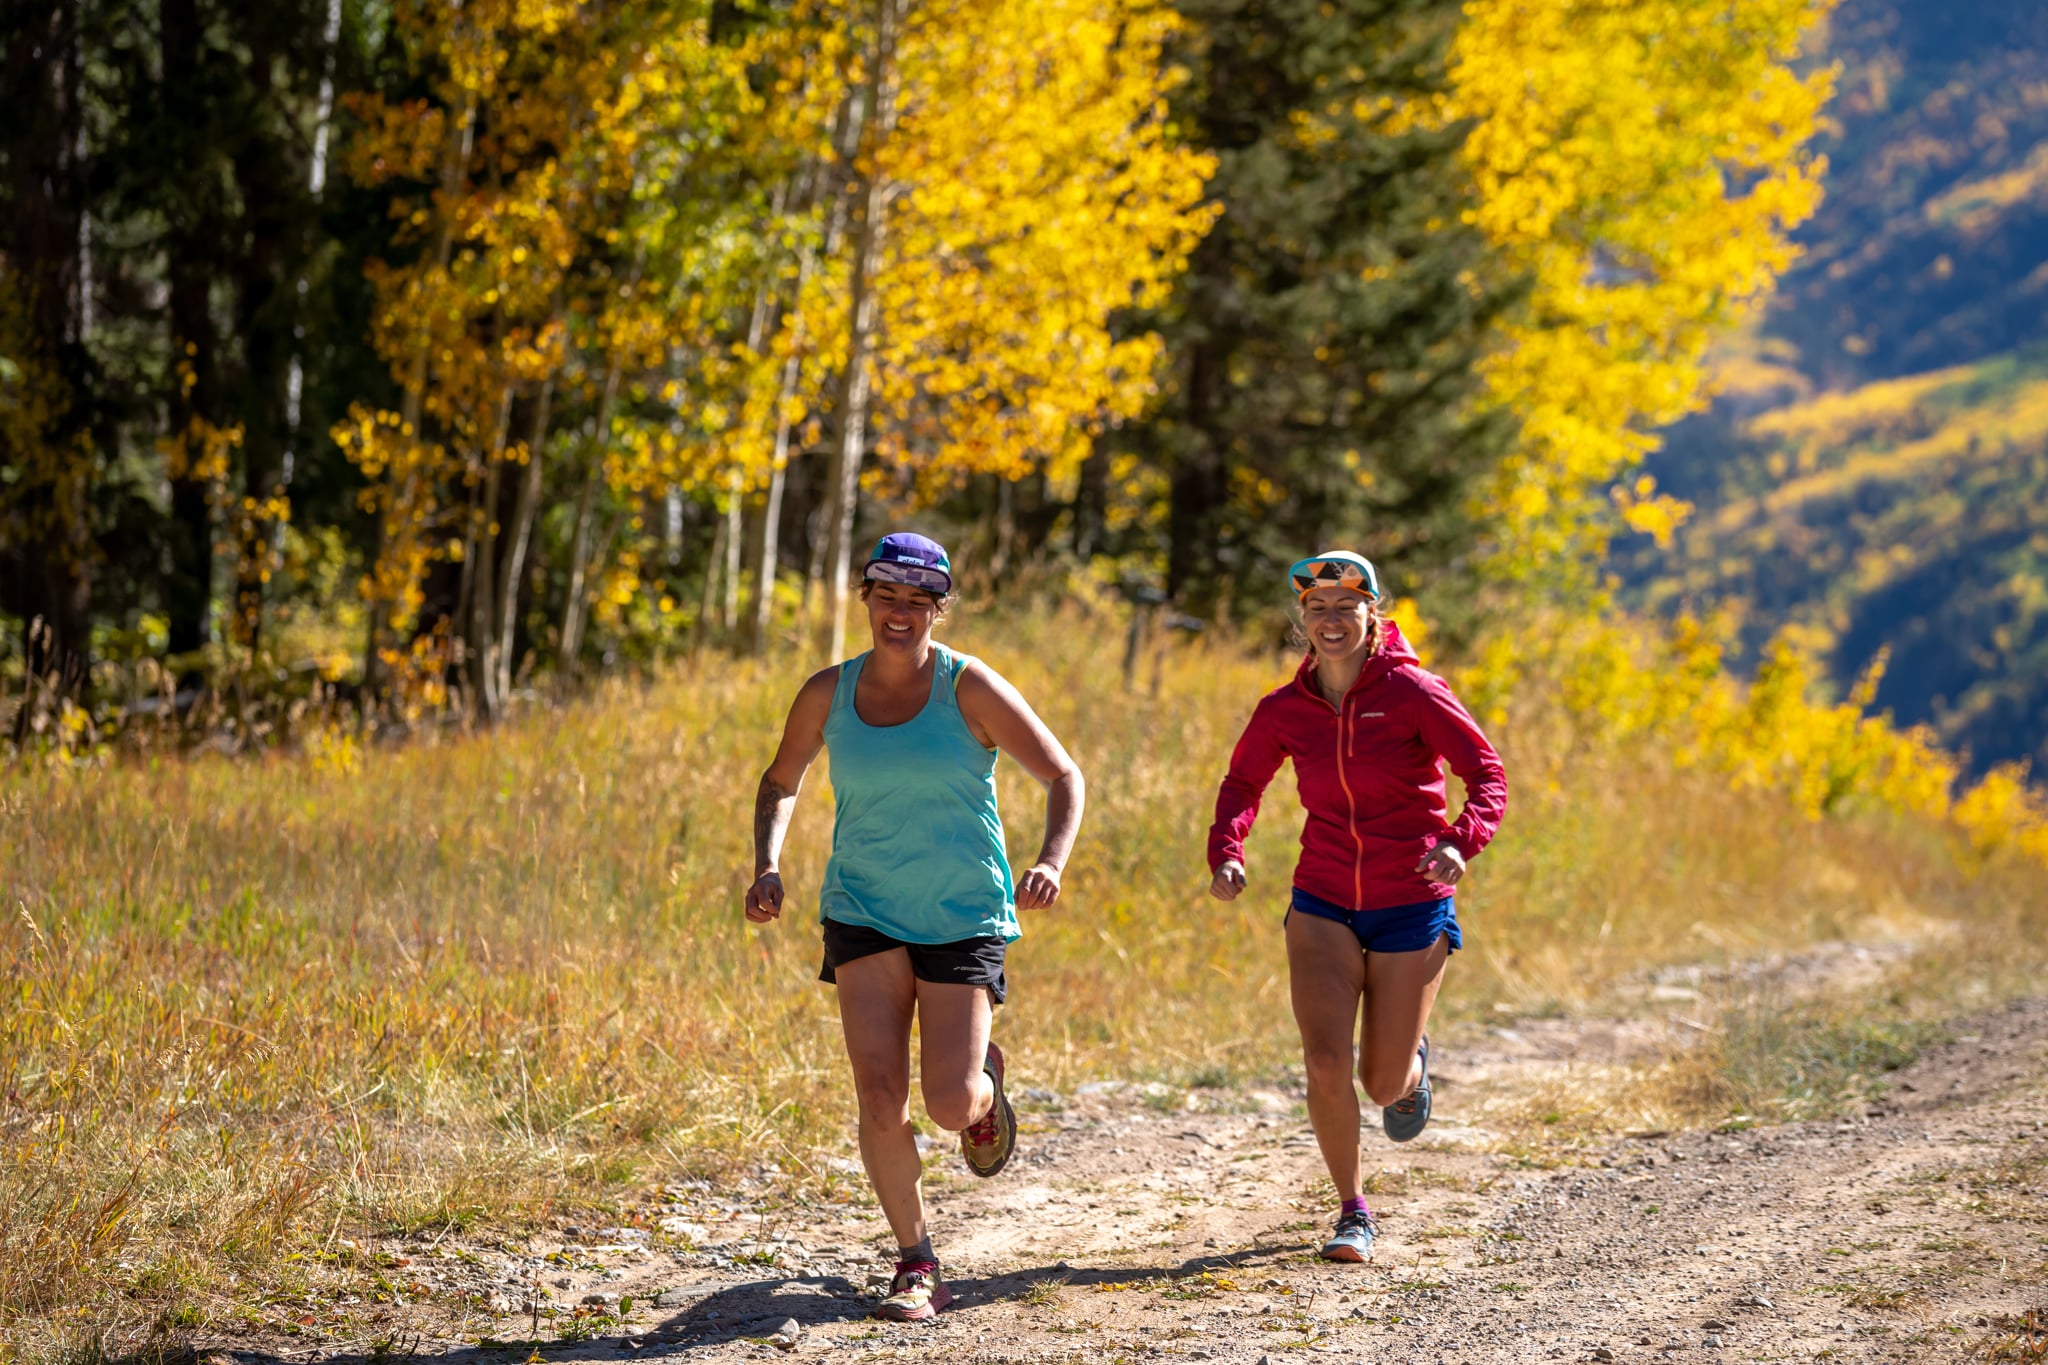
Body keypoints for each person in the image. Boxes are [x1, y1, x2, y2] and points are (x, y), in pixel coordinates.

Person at [744, 532, 1085, 1320]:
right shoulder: (828, 691)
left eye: (918, 601)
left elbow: (1063, 774)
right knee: (877, 1095)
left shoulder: (971, 687)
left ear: (939, 607)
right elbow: (781, 778)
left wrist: (1051, 861)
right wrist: (767, 861)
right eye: (887, 597)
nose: (901, 614)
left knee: (946, 1100)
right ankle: (915, 1258)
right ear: (866, 599)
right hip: (861, 907)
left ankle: (984, 1091)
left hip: (962, 913)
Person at [1206, 551, 1506, 1263]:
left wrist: (1462, 843)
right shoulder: (1285, 708)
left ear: (1374, 612)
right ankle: (1353, 1210)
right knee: (1321, 1059)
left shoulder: (1413, 691)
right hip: (1323, 896)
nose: (1331, 621)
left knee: (1381, 1081)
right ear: (1301, 620)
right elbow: (1244, 780)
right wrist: (1227, 847)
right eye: (1317, 609)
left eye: (1346, 607)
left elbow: (1486, 773)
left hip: (1412, 899)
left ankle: (1412, 1071)